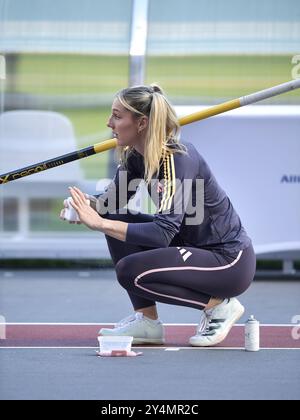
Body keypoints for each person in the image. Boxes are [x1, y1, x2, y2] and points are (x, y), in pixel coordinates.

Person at [60, 84, 256, 347]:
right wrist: (84, 207)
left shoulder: (178, 158)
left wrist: (101, 222)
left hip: (228, 261)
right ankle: (147, 322)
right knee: (119, 221)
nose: (109, 123)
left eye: (117, 116)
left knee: (129, 270)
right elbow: (109, 206)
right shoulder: (136, 157)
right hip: (191, 248)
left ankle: (219, 307)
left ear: (141, 123)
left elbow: (162, 233)